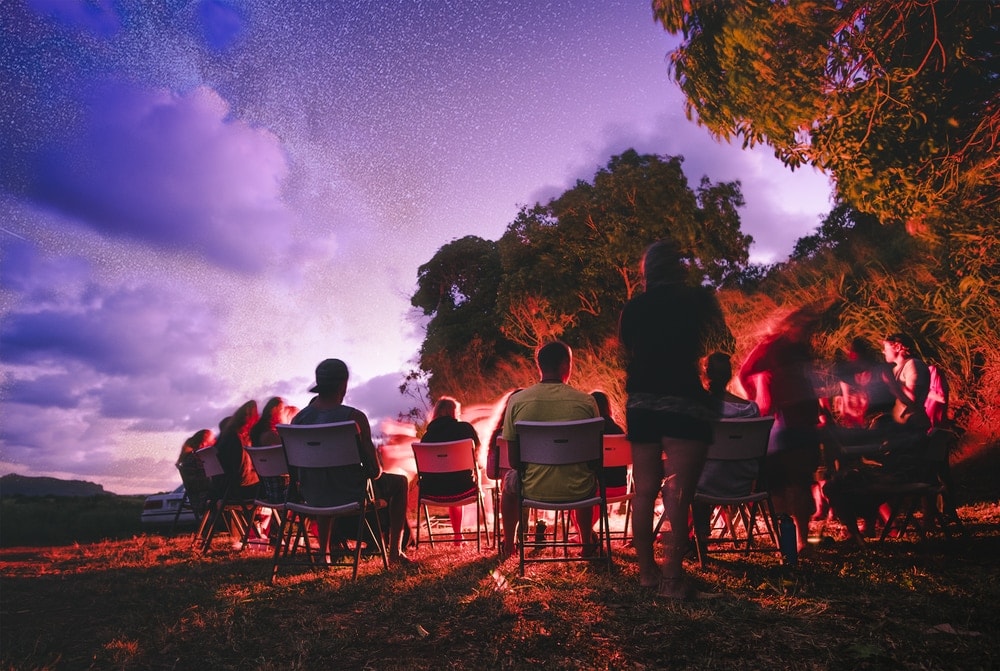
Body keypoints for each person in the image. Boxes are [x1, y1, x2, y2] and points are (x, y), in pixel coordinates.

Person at [618, 239, 733, 599]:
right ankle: (672, 580)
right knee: (678, 493)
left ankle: (647, 575)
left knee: (645, 488)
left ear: (646, 272)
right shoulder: (697, 300)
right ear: (681, 266)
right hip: (683, 399)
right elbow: (723, 344)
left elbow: (625, 354)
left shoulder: (633, 308)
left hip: (641, 401)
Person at [291, 358, 413, 567]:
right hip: (350, 493)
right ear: (343, 385)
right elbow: (374, 472)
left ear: (318, 385)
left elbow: (294, 469)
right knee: (400, 482)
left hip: (312, 495)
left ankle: (323, 554)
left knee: (323, 482)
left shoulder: (298, 420)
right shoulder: (354, 418)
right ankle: (395, 553)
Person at [498, 341, 601, 560]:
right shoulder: (587, 402)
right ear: (566, 365)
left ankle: (509, 544)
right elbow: (596, 459)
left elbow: (514, 460)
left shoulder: (517, 401)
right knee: (586, 475)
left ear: (539, 366)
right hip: (579, 489)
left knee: (508, 482)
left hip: (533, 489)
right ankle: (586, 544)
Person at [739, 306, 825, 556]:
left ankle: (801, 540)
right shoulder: (772, 346)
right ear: (791, 325)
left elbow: (807, 381)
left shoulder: (802, 350)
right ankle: (787, 538)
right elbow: (745, 372)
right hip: (780, 420)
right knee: (780, 482)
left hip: (803, 419)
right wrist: (758, 400)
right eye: (806, 327)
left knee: (800, 480)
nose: (809, 333)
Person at [691, 353, 761, 541]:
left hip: (707, 485)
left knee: (685, 479)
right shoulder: (752, 409)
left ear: (704, 375)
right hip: (745, 482)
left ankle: (699, 538)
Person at [420, 396, 482, 544]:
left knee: (448, 480)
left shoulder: (427, 437)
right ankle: (458, 536)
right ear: (454, 412)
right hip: (464, 488)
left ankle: (458, 536)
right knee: (459, 478)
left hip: (433, 491)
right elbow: (477, 455)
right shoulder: (465, 429)